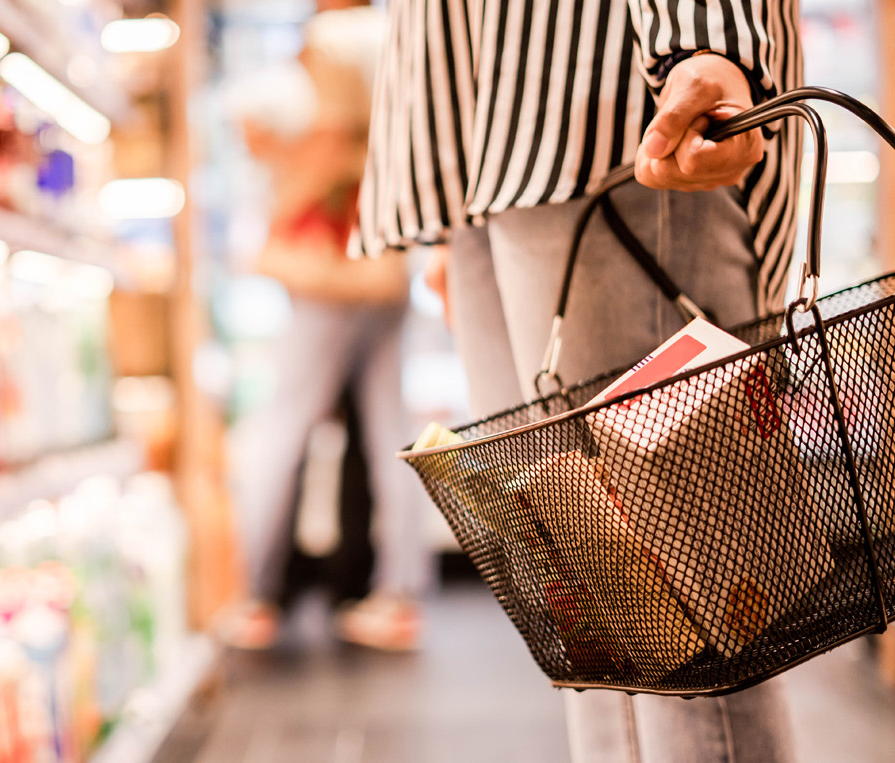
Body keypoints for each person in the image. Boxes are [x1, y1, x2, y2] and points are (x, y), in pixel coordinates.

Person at [358, 0, 803, 760]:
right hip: (483, 137)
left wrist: (706, 42)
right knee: (594, 633)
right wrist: (453, 192)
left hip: (618, 112)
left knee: (698, 637)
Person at [224, 0, 431, 652]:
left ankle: (252, 592)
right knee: (390, 430)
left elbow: (333, 144)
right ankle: (398, 592)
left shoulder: (326, 42)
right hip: (389, 256)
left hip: (331, 262)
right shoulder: (401, 33)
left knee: (284, 428)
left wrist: (280, 207)